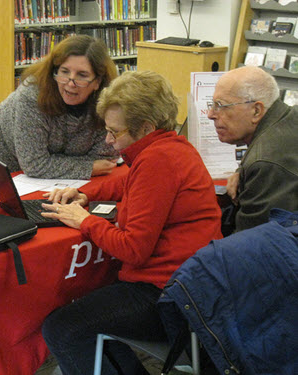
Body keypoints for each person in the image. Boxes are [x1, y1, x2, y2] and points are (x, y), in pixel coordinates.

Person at [40, 71, 223, 375]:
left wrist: (85, 221)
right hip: (192, 286)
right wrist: (85, 194)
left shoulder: (157, 161)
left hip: (169, 297)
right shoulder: (173, 147)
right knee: (89, 313)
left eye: (115, 132)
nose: (109, 141)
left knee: (63, 327)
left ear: (146, 128)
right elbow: (129, 182)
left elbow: (133, 249)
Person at [0, 34, 119, 179]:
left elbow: (105, 160)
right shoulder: (31, 96)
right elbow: (35, 165)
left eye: (82, 75)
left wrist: (55, 164)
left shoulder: (108, 102)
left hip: (69, 182)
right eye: (64, 72)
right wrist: (89, 167)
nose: (70, 83)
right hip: (9, 173)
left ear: (98, 82)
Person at [208, 65, 298, 231]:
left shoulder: (265, 162)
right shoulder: (287, 117)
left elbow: (251, 247)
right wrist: (241, 170)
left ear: (256, 111)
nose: (211, 114)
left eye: (221, 105)